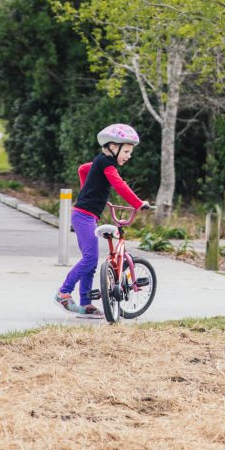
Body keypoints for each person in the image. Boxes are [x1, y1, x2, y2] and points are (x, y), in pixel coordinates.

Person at [55, 123, 150, 319]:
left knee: (90, 261)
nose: (128, 156)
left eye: (130, 152)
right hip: (83, 215)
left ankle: (86, 305)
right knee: (90, 258)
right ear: (112, 147)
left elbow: (83, 169)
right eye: (126, 151)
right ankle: (63, 293)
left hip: (87, 214)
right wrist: (138, 203)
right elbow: (119, 185)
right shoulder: (107, 164)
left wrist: (89, 191)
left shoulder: (99, 162)